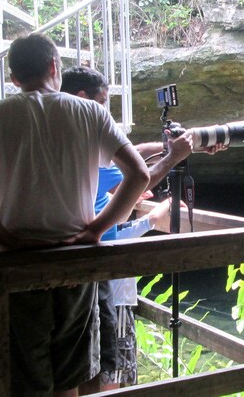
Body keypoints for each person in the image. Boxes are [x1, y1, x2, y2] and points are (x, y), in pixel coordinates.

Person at [0, 34, 150, 397]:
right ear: (53, 66)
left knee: (25, 380)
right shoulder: (92, 112)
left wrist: (6, 238)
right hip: (74, 262)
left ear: (13, 78)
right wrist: (96, 229)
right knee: (68, 379)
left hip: (16, 266)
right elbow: (139, 175)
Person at [60, 65, 194, 392]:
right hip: (98, 271)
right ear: (83, 99)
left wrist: (165, 148)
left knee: (78, 365)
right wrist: (173, 157)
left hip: (75, 271)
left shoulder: (63, 137)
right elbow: (139, 176)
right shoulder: (85, 140)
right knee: (108, 369)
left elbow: (126, 160)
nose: (106, 110)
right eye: (103, 102)